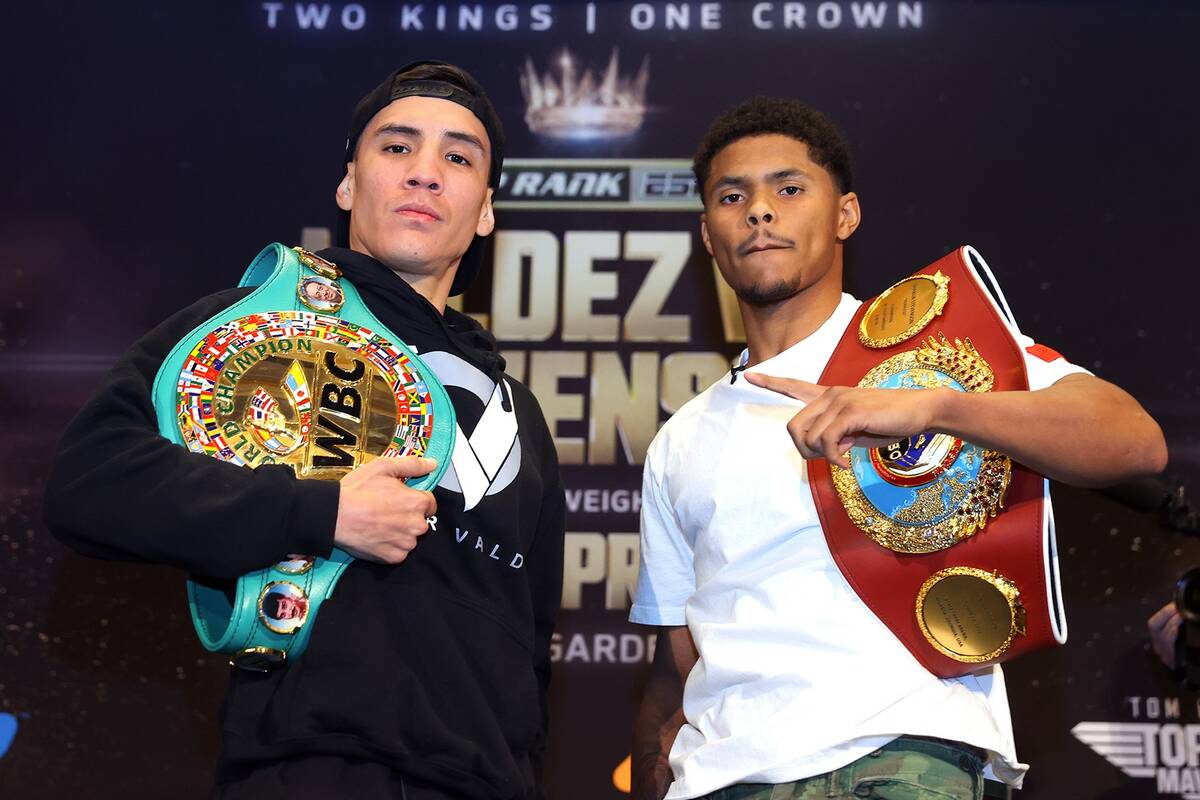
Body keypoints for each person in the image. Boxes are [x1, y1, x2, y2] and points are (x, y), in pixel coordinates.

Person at [44, 61, 565, 800]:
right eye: (397, 147)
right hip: (310, 768)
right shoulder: (250, 325)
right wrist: (321, 512)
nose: (425, 173)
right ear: (349, 183)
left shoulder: (520, 416)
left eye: (458, 157)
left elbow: (533, 656)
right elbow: (90, 481)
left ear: (485, 209)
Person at [630, 97, 1168, 800]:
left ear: (846, 213)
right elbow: (679, 665)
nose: (760, 211)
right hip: (727, 777)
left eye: (789, 188)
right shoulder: (682, 438)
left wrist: (933, 406)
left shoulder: (933, 354)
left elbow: (1134, 441)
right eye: (734, 196)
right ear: (708, 232)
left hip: (906, 756)